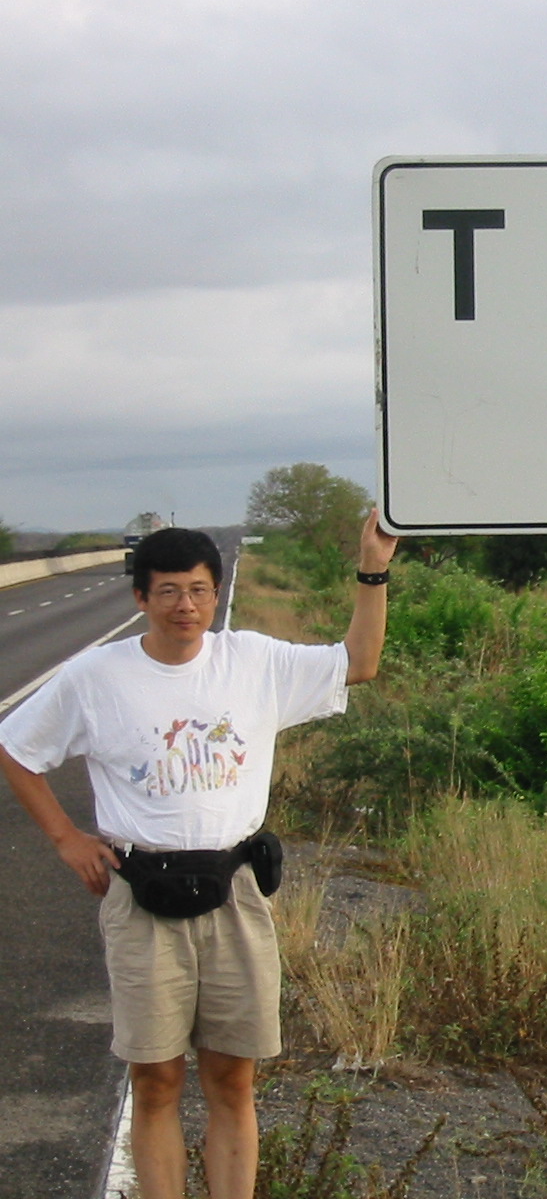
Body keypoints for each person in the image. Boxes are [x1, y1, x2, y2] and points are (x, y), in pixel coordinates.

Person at [0, 510, 398, 1199]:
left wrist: (373, 569)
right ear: (141, 597)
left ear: (217, 593)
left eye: (198, 590)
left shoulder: (254, 662)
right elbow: (16, 748)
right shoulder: (96, 675)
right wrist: (67, 837)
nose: (184, 605)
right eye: (167, 591)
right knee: (155, 1079)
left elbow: (358, 663)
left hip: (233, 889)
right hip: (140, 893)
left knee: (232, 1077)